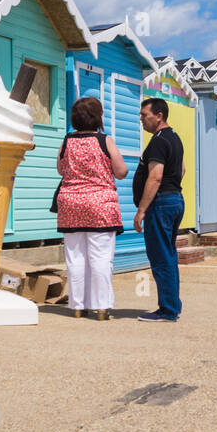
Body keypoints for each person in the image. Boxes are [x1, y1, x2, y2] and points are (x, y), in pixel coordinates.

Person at [56, 97, 128, 320]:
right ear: (98, 117)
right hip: (100, 206)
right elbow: (121, 171)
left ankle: (77, 306)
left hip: (70, 204)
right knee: (100, 257)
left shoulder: (67, 141)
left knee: (75, 258)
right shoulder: (104, 140)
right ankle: (102, 307)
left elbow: (60, 170)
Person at [133, 97, 185, 322]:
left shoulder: (158, 141)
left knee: (161, 257)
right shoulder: (174, 138)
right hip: (174, 200)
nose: (142, 119)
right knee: (169, 256)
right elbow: (181, 170)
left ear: (159, 115)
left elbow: (155, 177)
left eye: (145, 115)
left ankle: (168, 310)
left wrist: (141, 210)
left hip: (162, 204)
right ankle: (173, 304)